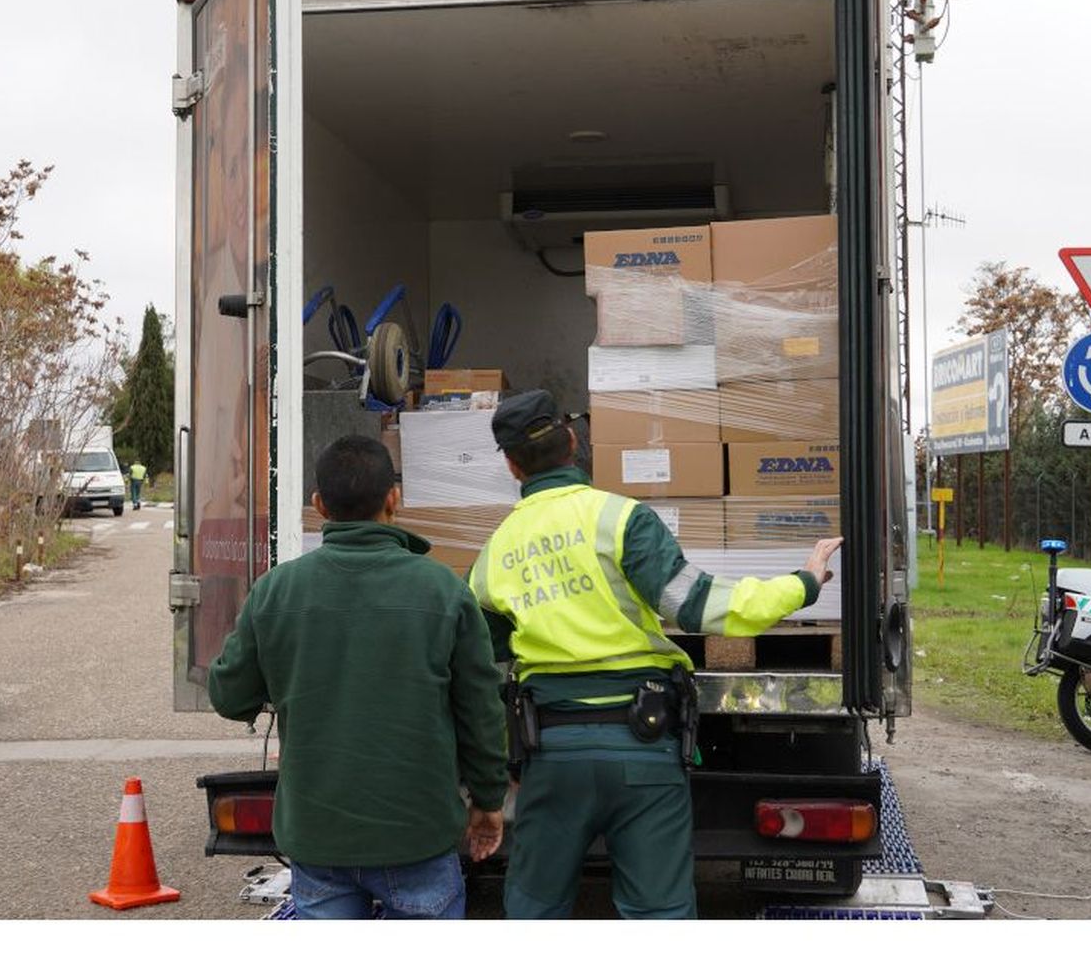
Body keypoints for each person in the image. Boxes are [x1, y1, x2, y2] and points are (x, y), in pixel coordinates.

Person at [468, 389, 842, 920]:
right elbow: (701, 608)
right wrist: (802, 584)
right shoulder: (621, 520)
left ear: (510, 464)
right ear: (574, 441)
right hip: (641, 748)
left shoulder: (495, 552)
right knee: (659, 919)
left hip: (550, 757)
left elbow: (482, 664)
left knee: (533, 914)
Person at [208, 435, 508, 919]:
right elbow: (481, 711)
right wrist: (488, 800)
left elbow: (228, 694)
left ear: (319, 505)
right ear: (395, 498)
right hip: (418, 835)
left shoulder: (275, 591)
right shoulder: (444, 591)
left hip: (317, 837)